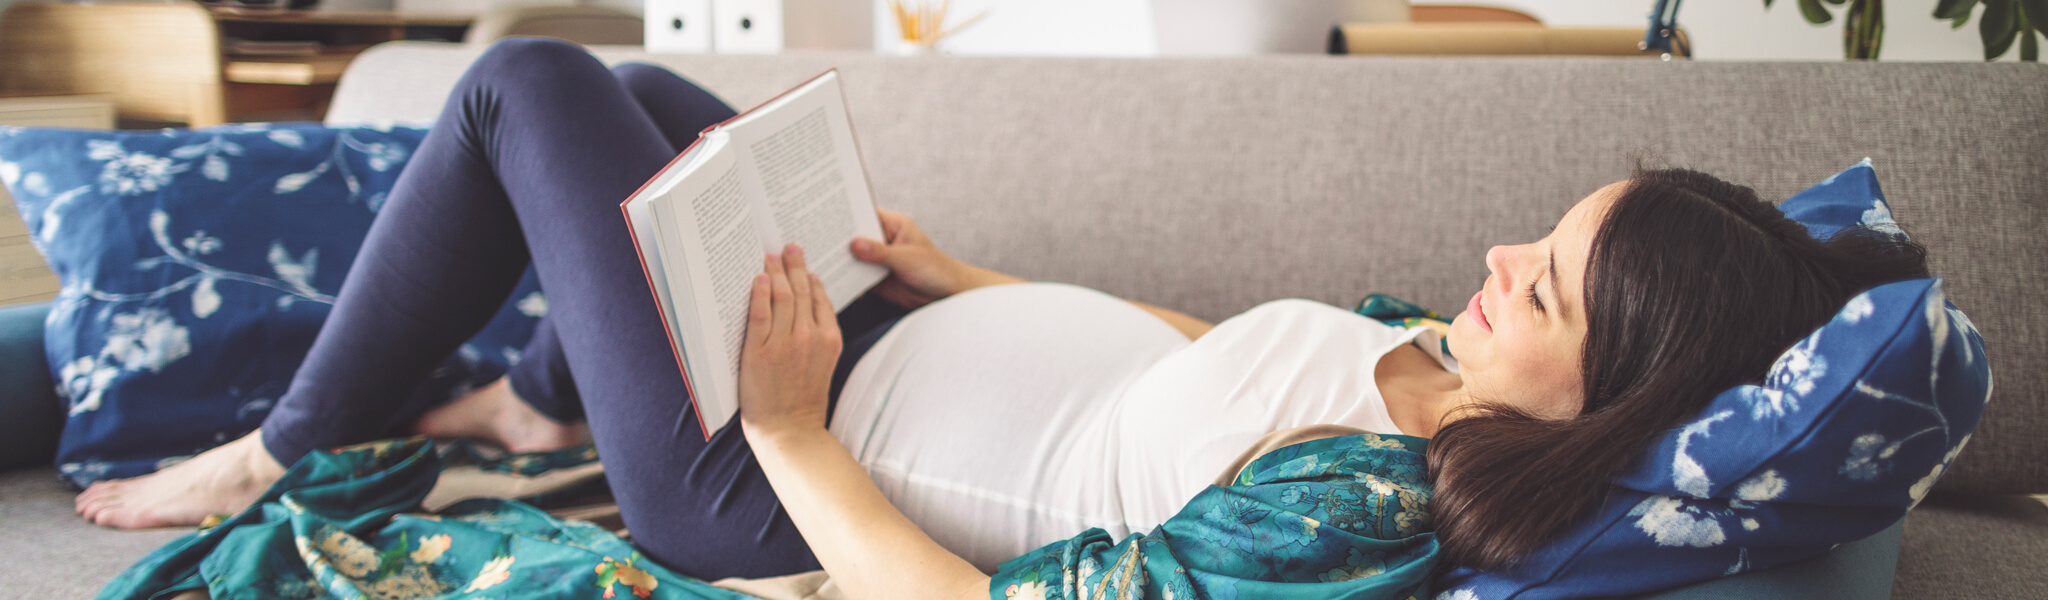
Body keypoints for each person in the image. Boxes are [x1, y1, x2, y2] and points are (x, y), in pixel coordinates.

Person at [73, 38, 1929, 598]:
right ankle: (541, 399)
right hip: (887, 352)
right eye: (1544, 232)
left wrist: (794, 428)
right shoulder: (1432, 355)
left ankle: (276, 445)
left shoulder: (1374, 504)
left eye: (1556, 287)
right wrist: (976, 280)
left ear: (1610, 395)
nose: (1507, 259)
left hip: (765, 472)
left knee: (526, 86)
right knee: (651, 104)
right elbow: (1210, 352)